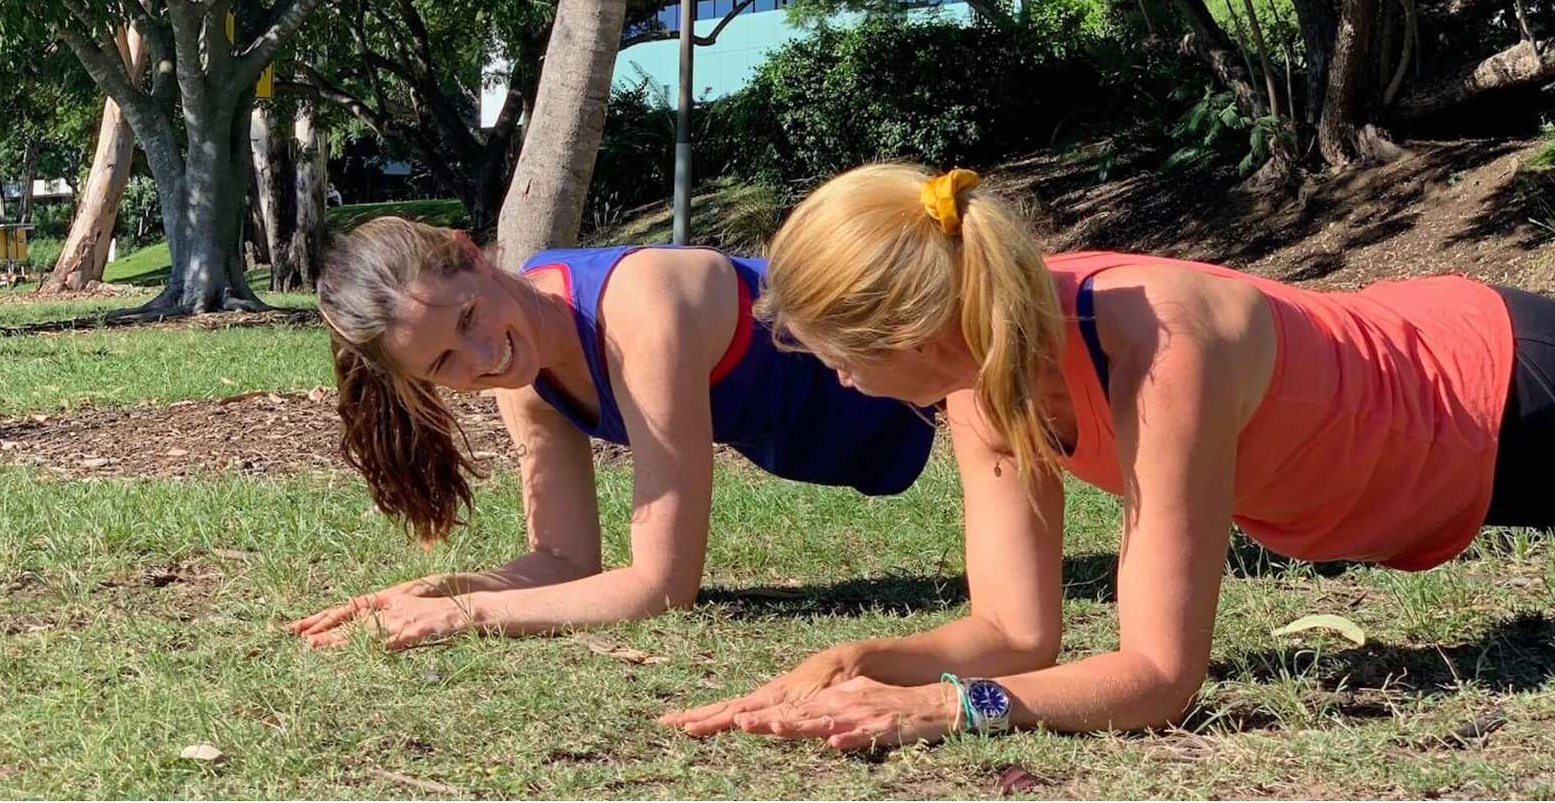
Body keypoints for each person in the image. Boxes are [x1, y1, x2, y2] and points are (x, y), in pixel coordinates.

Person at [661, 162, 1548, 749]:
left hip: (1512, 399)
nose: (841, 382)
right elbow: (1014, 632)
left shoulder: (1161, 344)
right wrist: (868, 662)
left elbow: (1160, 678)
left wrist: (946, 708)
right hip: (1437, 460)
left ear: (920, 333)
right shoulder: (978, 369)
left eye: (842, 357)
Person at [287, 217, 935, 649]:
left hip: (935, 347)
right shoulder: (526, 374)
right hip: (878, 429)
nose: (482, 356)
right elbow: (565, 563)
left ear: (471, 254)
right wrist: (441, 591)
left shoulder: (641, 312)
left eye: (468, 318)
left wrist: (469, 617)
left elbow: (662, 586)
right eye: (443, 364)